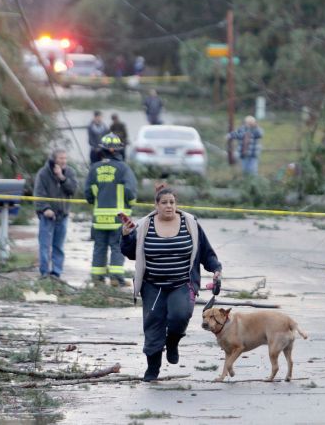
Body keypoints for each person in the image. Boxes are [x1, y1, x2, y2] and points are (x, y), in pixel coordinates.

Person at [120, 185, 223, 382]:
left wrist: (216, 268)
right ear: (156, 205)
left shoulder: (190, 223)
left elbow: (206, 251)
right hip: (152, 284)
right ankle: (152, 369)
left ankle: (173, 340)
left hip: (181, 283)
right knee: (153, 324)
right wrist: (126, 236)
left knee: (180, 314)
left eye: (172, 202)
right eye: (164, 203)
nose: (169, 206)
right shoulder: (144, 225)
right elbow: (131, 253)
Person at [84, 133, 138, 287]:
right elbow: (130, 191)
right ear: (117, 150)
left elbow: (88, 193)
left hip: (99, 218)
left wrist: (97, 202)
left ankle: (97, 279)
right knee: (117, 246)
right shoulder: (123, 169)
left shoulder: (94, 168)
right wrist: (131, 204)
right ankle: (116, 278)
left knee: (99, 247)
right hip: (118, 218)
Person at [33, 148, 77, 279]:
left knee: (59, 246)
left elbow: (73, 190)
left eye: (65, 158)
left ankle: (56, 273)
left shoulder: (70, 172)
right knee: (45, 246)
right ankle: (44, 273)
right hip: (47, 216)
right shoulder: (43, 173)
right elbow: (38, 193)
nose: (63, 161)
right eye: (60, 158)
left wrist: (62, 178)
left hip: (62, 215)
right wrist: (45, 208)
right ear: (54, 160)